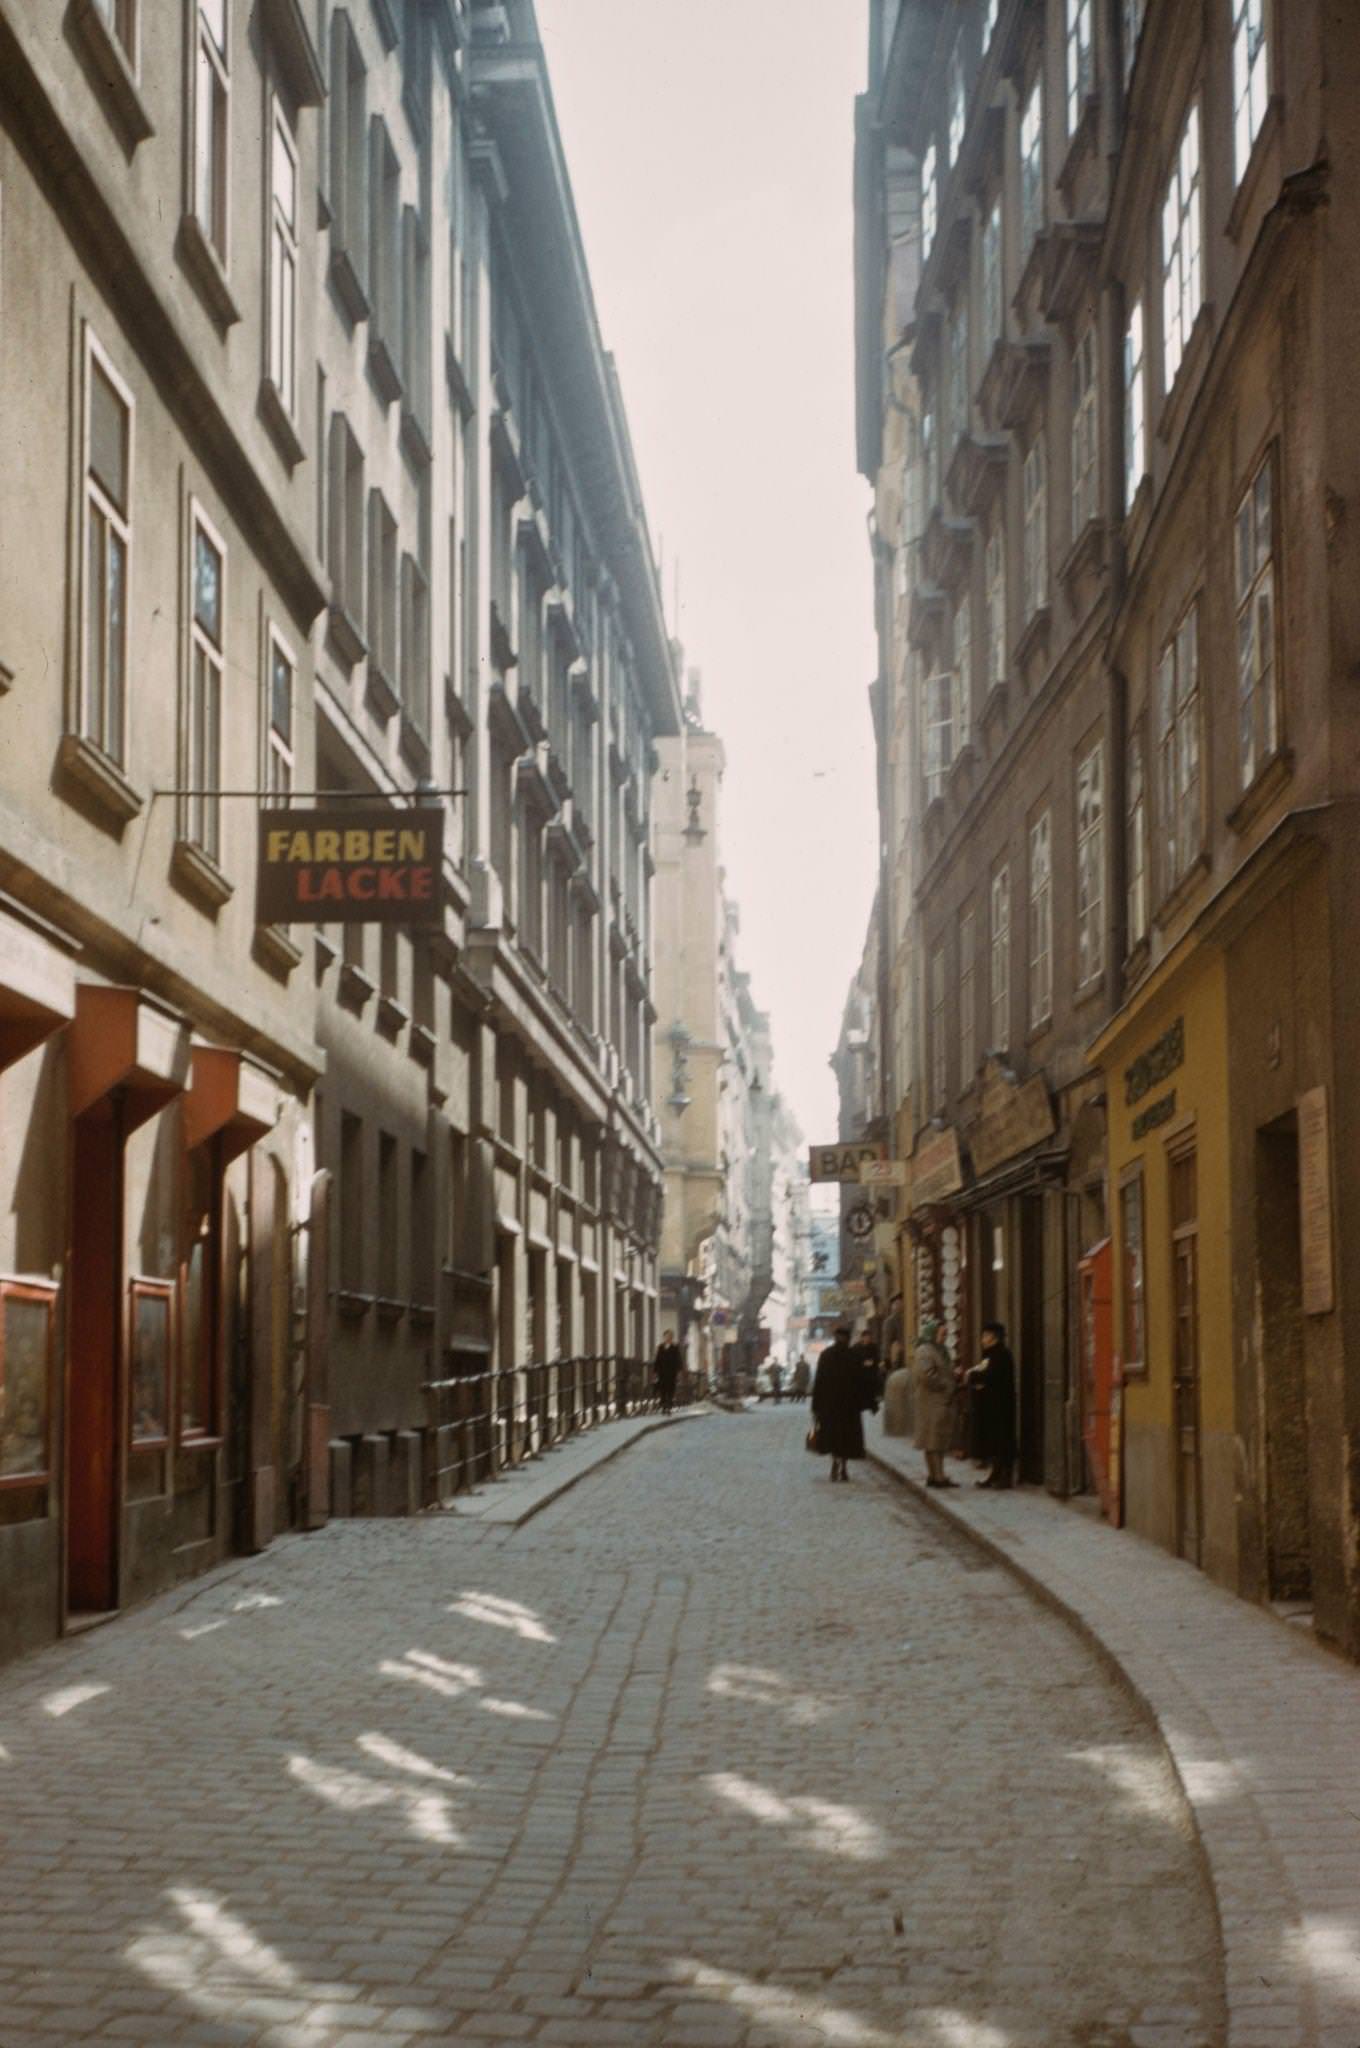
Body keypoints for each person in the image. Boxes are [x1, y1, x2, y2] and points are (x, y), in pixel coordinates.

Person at [810, 1326, 879, 1482]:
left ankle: (835, 1462)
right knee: (846, 1438)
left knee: (833, 1436)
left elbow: (819, 1382)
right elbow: (863, 1382)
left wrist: (816, 1407)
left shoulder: (826, 1355)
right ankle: (844, 1467)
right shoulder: (855, 1356)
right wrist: (869, 1402)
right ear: (848, 1338)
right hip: (849, 1407)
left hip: (830, 1406)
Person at [966, 1321, 1018, 1488]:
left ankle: (1005, 1476)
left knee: (1002, 1440)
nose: (982, 1339)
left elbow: (990, 1377)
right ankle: (995, 1474)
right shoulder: (990, 1354)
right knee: (994, 1441)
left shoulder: (1001, 1354)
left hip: (1000, 1405)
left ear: (992, 1337)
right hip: (991, 1404)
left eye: (984, 1335)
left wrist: (972, 1375)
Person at [913, 1318, 957, 1488]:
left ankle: (937, 1475)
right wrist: (945, 1385)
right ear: (932, 1334)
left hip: (940, 1401)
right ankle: (937, 1477)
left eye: (946, 1334)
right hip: (931, 1401)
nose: (944, 1337)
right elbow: (926, 1375)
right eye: (942, 1334)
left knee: (938, 1440)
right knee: (933, 1440)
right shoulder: (925, 1351)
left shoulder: (940, 1350)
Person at [653, 1330, 683, 1415]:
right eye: (666, 1336)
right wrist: (655, 1371)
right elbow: (657, 1360)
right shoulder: (660, 1347)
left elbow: (678, 1360)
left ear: (672, 1338)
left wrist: (679, 1371)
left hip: (671, 1372)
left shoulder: (675, 1347)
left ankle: (669, 1406)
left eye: (670, 1336)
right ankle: (663, 1406)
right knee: (662, 1389)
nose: (668, 1338)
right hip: (661, 1372)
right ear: (664, 1337)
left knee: (670, 1389)